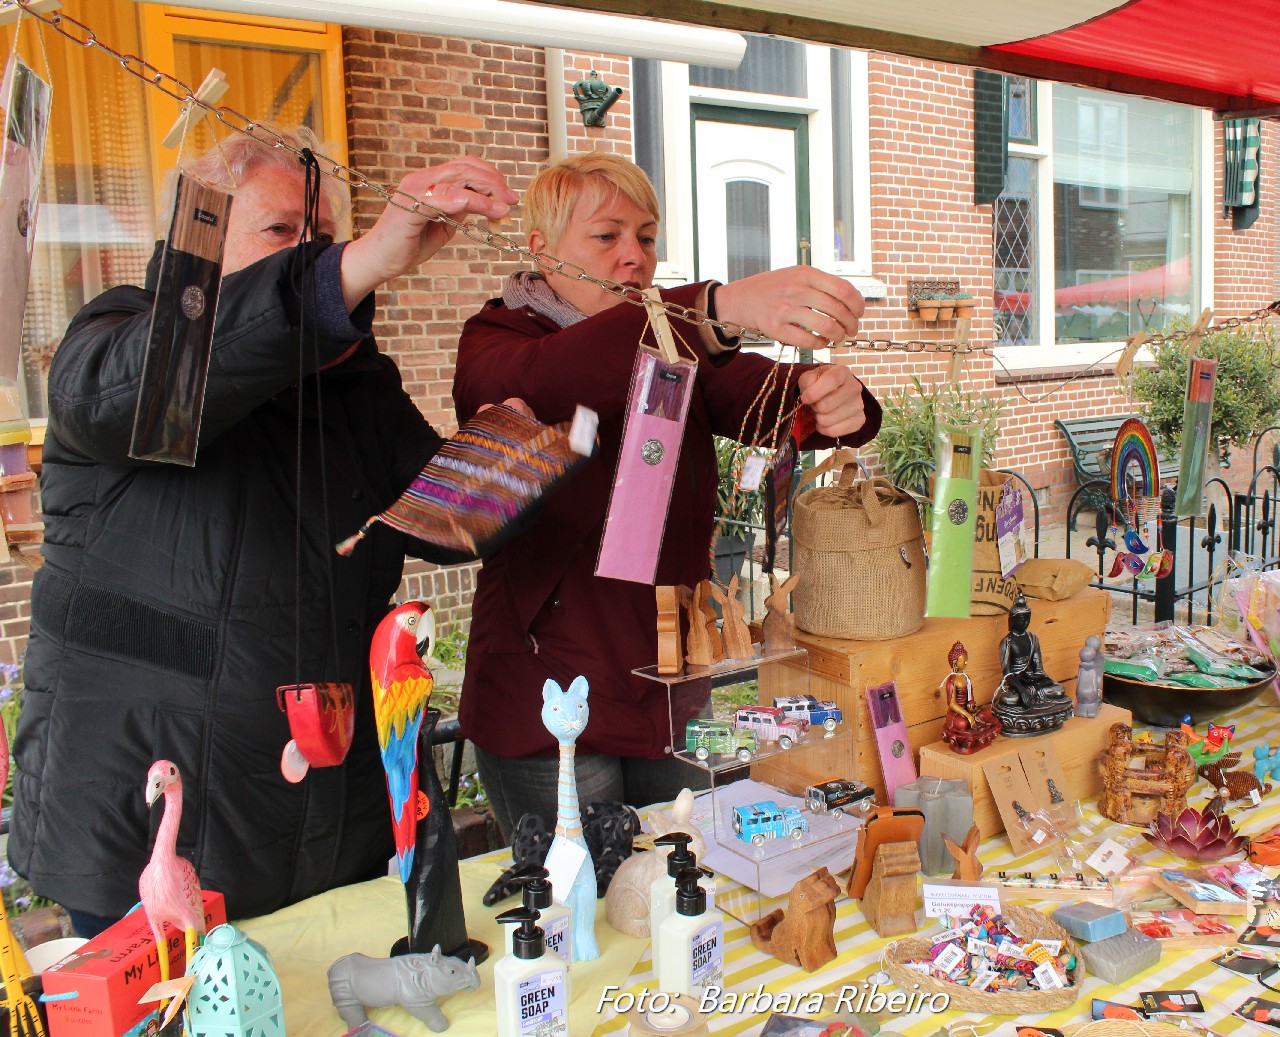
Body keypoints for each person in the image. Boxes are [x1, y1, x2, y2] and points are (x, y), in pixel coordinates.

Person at [9, 124, 518, 934]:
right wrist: (350, 268)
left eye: (323, 236)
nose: (309, 254)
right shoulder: (117, 335)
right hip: (151, 821)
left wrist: (518, 454)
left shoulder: (354, 383)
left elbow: (450, 519)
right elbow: (144, 390)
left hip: (332, 815)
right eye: (281, 230)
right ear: (200, 241)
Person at [454, 152, 881, 839]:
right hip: (547, 694)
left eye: (646, 237)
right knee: (582, 889)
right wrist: (713, 307)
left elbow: (759, 397)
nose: (634, 256)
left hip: (668, 681)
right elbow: (549, 379)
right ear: (540, 247)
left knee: (683, 868)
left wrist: (832, 400)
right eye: (607, 235)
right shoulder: (499, 340)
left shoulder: (670, 339)